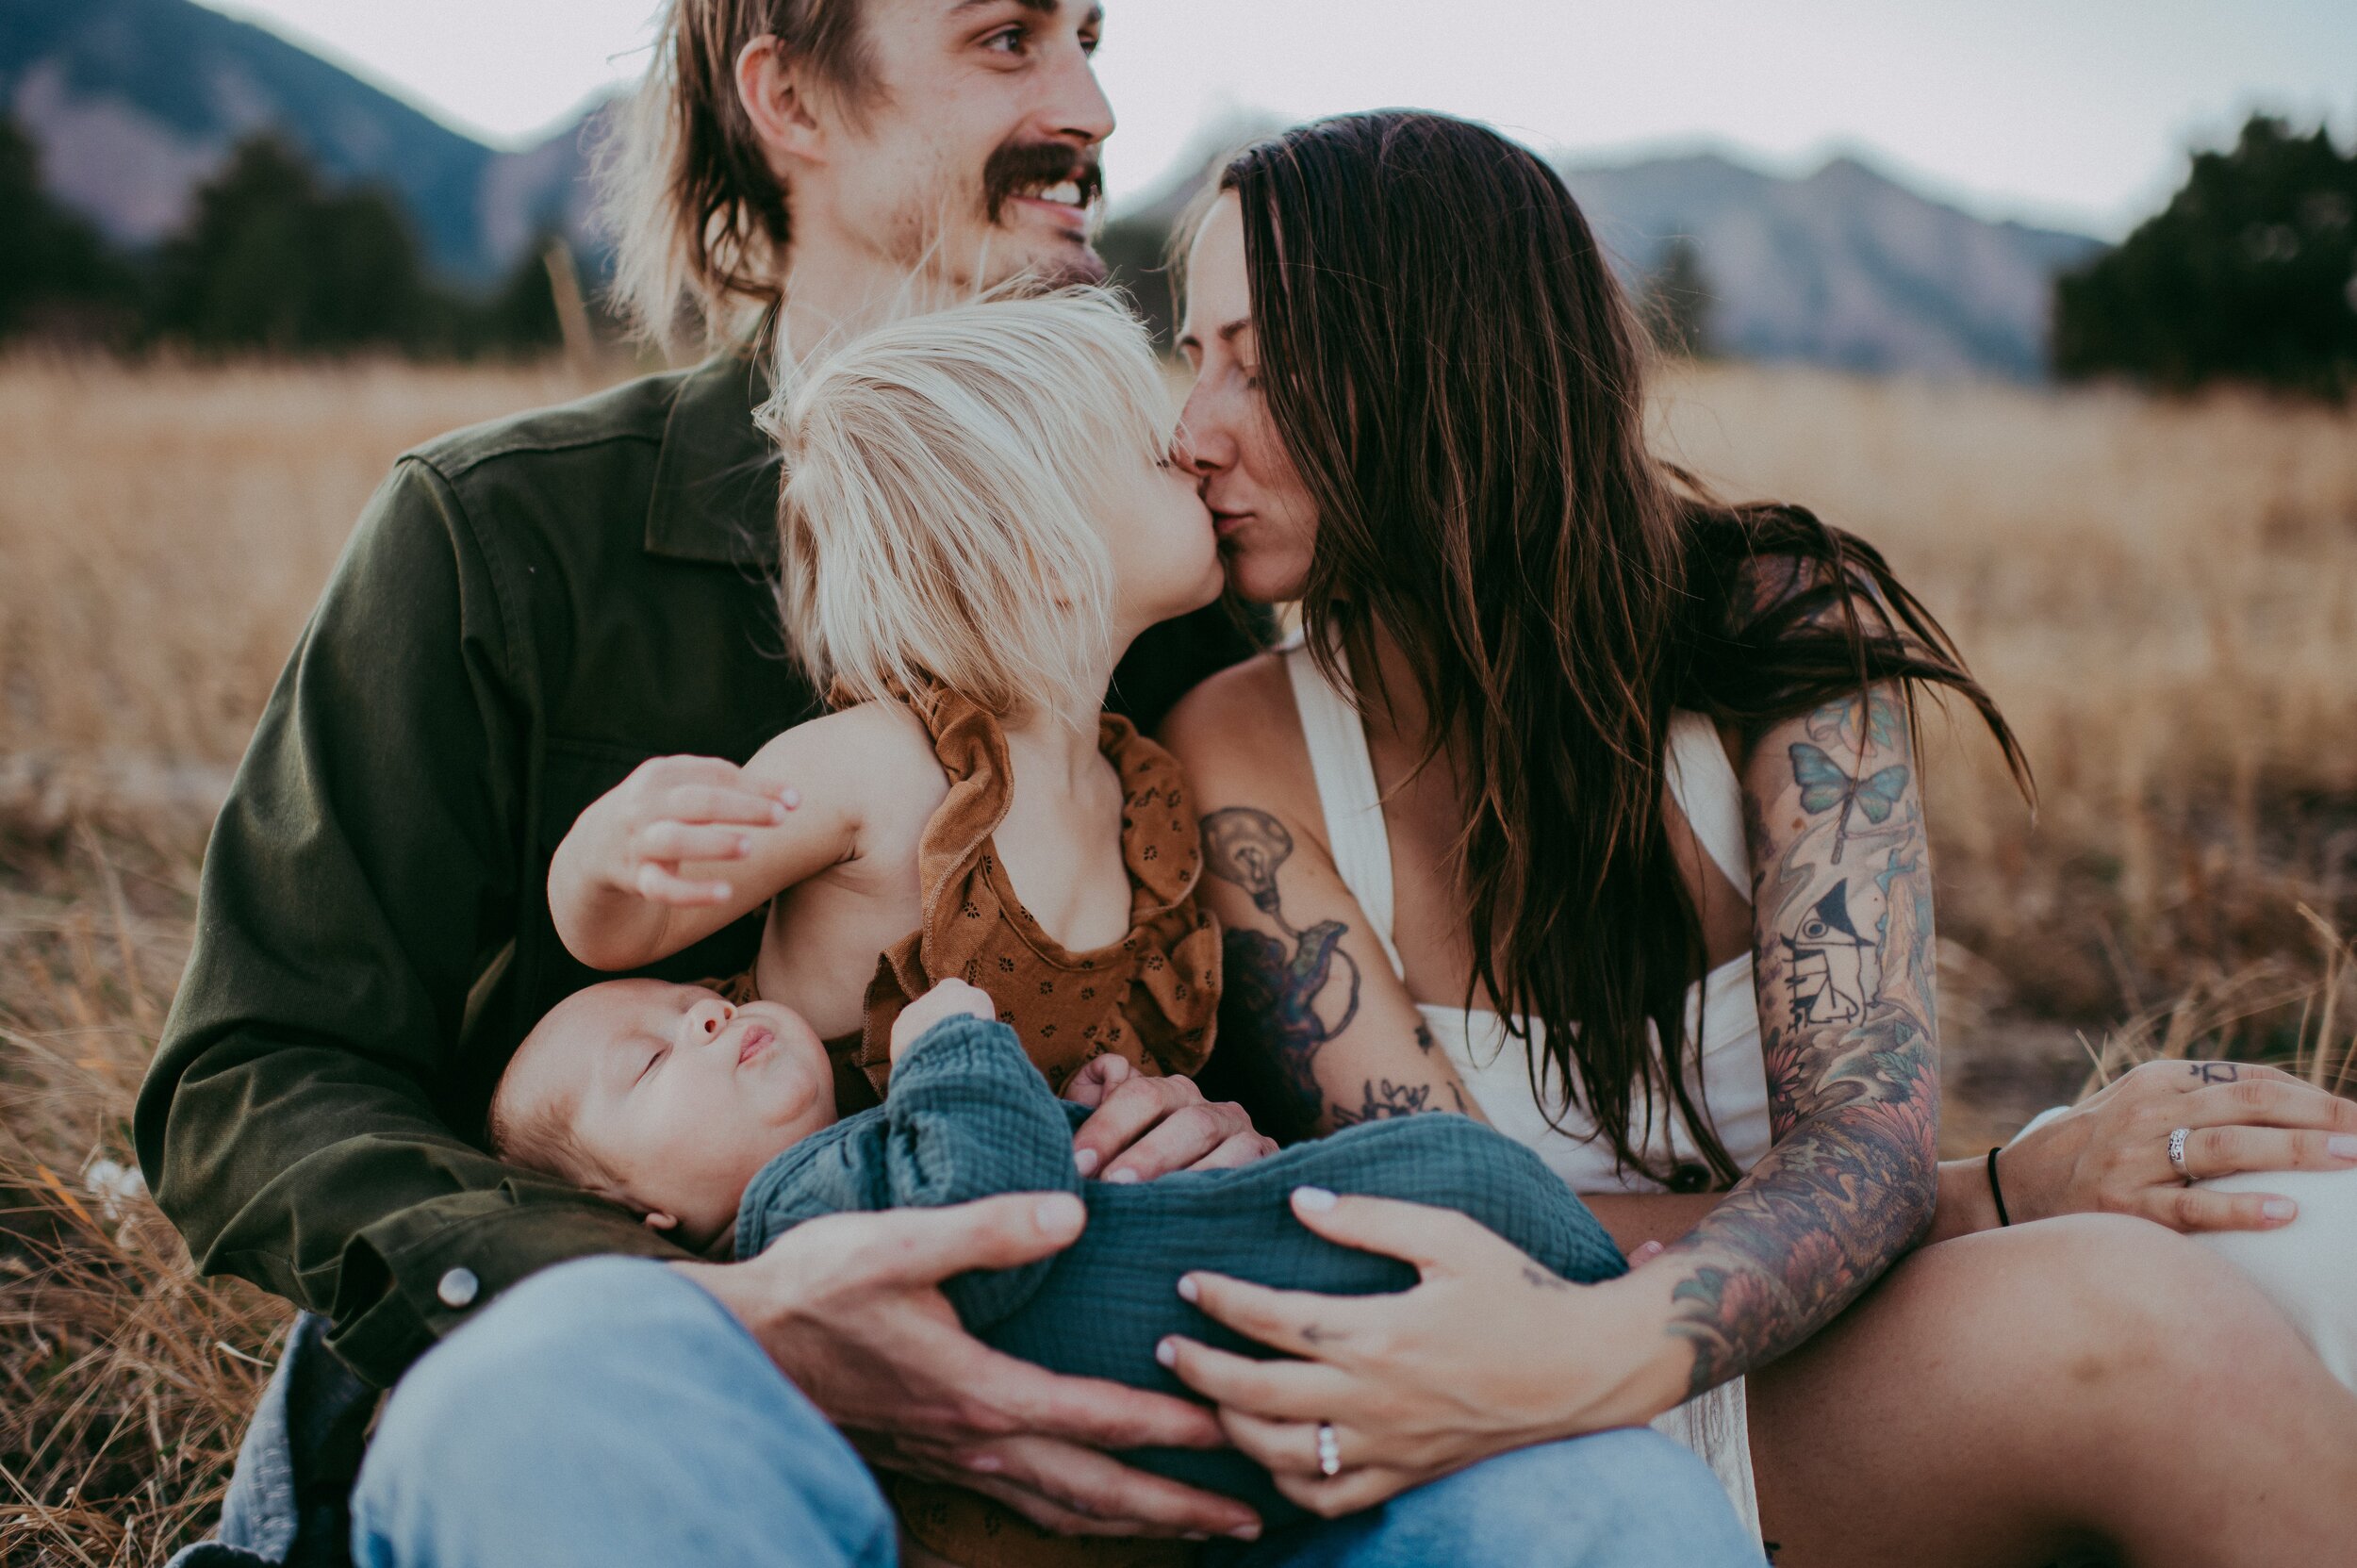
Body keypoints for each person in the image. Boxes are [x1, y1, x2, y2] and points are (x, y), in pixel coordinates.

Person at [138, 8, 1763, 1565]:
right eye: (1009, 39)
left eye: (1094, 42)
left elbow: (1287, 1022)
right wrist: (702, 1301)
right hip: (675, 1405)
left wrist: (1198, 1121)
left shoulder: (1196, 593)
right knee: (541, 1408)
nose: (1094, 113)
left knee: (1613, 1515)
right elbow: (251, 1074)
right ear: (789, 102)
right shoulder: (497, 540)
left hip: (1126, 1457)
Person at [1156, 109, 2357, 1567]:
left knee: (2314, 1227)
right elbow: (1464, 1211)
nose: (1192, 428)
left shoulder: (1775, 626)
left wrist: (1947, 1190)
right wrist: (1992, 1191)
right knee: (2146, 1331)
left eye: (1259, 369)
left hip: (1744, 1319)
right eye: (1193, 355)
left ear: (1441, 370)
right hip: (1542, 1382)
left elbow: (1864, 1134)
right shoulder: (1241, 744)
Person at [489, 971, 1640, 1538]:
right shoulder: (796, 1216)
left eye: (706, 998)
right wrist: (949, 1037)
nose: (699, 1019)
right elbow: (991, 1210)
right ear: (640, 1217)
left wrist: (1069, 1111)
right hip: (1361, 1279)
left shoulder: (860, 1158)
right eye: (647, 1064)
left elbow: (1015, 1176)